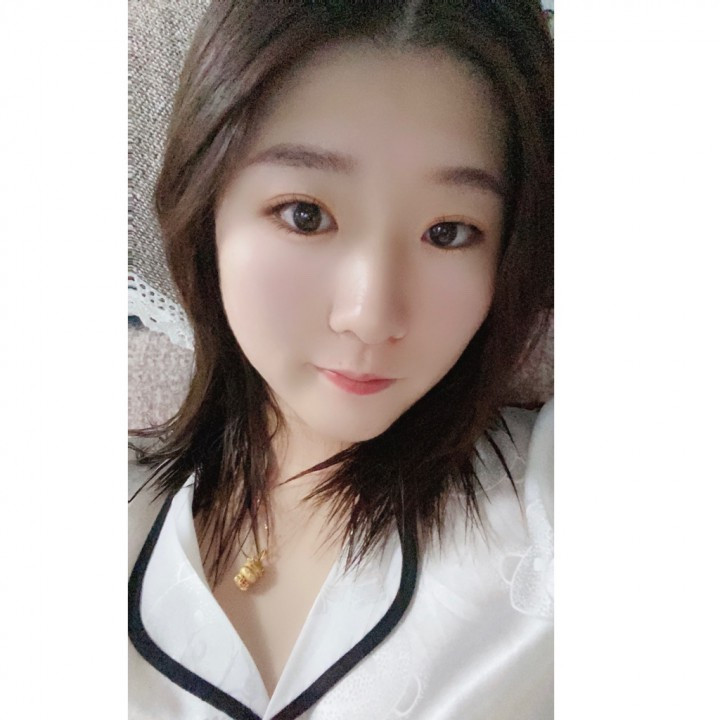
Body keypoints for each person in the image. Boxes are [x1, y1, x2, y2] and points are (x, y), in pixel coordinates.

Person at [128, 1, 554, 718]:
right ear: (206, 212)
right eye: (306, 215)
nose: (371, 314)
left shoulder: (548, 501)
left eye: (449, 231)